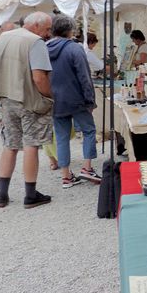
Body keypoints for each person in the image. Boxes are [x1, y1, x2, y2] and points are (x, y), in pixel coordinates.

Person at [0, 11, 54, 209]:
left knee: (10, 145)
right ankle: (30, 194)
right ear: (36, 25)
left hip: (6, 97)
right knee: (31, 145)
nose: (48, 33)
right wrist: (49, 96)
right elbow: (39, 77)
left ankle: (2, 194)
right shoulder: (35, 42)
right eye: (47, 28)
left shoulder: (3, 38)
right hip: (28, 99)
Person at [46, 15, 100, 188]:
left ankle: (66, 176)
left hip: (55, 99)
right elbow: (84, 77)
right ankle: (87, 167)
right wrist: (90, 100)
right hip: (76, 98)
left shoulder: (44, 48)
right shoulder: (74, 49)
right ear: (70, 31)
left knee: (61, 137)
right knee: (89, 130)